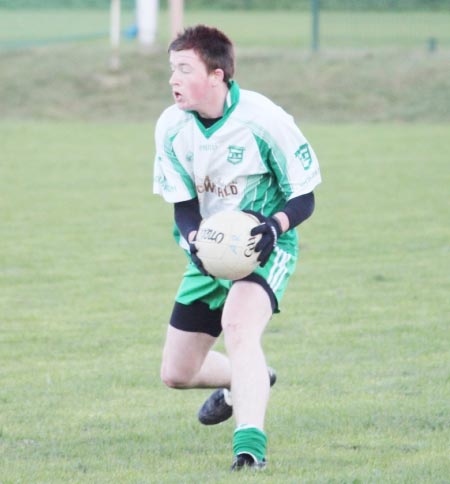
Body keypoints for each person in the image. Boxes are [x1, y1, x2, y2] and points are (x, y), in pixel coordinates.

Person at [153, 24, 321, 471]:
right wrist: (192, 239)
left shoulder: (264, 120)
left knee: (240, 329)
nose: (173, 79)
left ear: (217, 75)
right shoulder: (171, 127)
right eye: (171, 68)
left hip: (265, 244)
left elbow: (304, 194)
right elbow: (183, 205)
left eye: (184, 69)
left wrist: (274, 225)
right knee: (177, 373)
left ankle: (250, 451)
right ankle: (254, 378)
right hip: (210, 251)